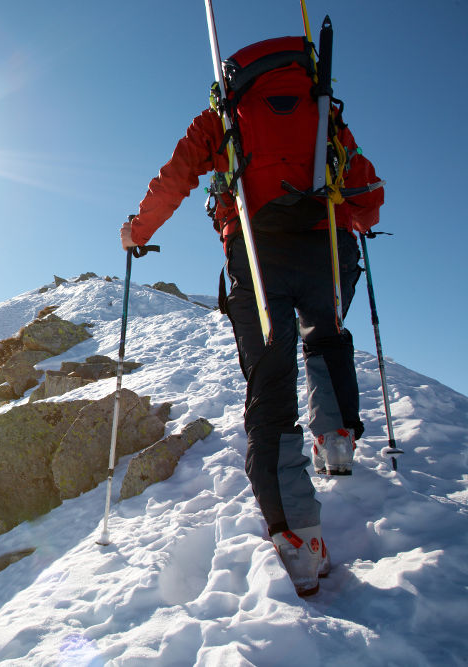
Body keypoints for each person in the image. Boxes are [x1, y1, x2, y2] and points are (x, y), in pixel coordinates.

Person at [120, 36, 383, 596]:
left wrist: (136, 232)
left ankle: (299, 540)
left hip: (257, 251)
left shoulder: (220, 117)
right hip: (326, 246)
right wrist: (354, 217)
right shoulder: (322, 109)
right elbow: (365, 189)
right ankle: (336, 436)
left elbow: (176, 177)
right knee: (327, 336)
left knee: (271, 385)